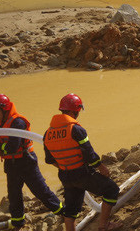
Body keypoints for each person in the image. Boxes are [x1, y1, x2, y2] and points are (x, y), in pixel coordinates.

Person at [0, 94, 63, 230]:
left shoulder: (17, 122)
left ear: (5, 109)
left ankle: (63, 212)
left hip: (25, 162)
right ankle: (18, 221)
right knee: (13, 194)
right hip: (11, 164)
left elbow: (12, 147)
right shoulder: (0, 122)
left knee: (40, 190)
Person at [43, 94, 121, 231]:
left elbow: (49, 160)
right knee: (112, 190)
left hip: (65, 175)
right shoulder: (76, 130)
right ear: (75, 111)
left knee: (71, 210)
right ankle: (104, 225)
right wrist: (101, 167)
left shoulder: (47, 133)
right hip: (82, 173)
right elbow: (89, 153)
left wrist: (65, 166)